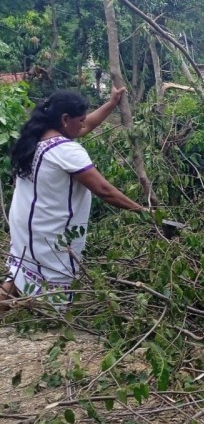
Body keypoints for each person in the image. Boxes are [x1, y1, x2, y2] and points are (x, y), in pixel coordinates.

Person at [1, 87, 147, 308]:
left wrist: (111, 103)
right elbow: (103, 190)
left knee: (23, 270)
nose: (83, 124)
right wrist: (143, 212)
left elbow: (86, 125)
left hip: (27, 221)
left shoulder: (38, 136)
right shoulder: (66, 150)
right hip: (48, 227)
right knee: (53, 290)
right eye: (79, 120)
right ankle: (43, 311)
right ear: (65, 119)